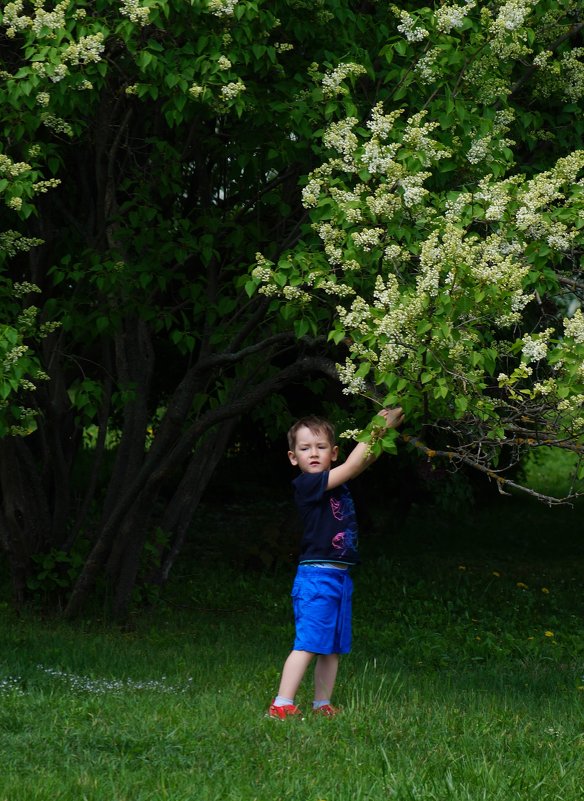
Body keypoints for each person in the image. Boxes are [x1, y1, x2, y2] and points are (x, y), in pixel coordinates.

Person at [267, 406, 404, 719]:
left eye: (320, 447)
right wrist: (377, 425)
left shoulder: (334, 481)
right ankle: (282, 703)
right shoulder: (307, 484)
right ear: (293, 457)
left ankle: (321, 704)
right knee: (309, 642)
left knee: (331, 646)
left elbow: (365, 459)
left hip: (339, 577)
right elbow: (356, 463)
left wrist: (387, 430)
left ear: (334, 453)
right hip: (316, 577)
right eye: (305, 449)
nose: (313, 453)